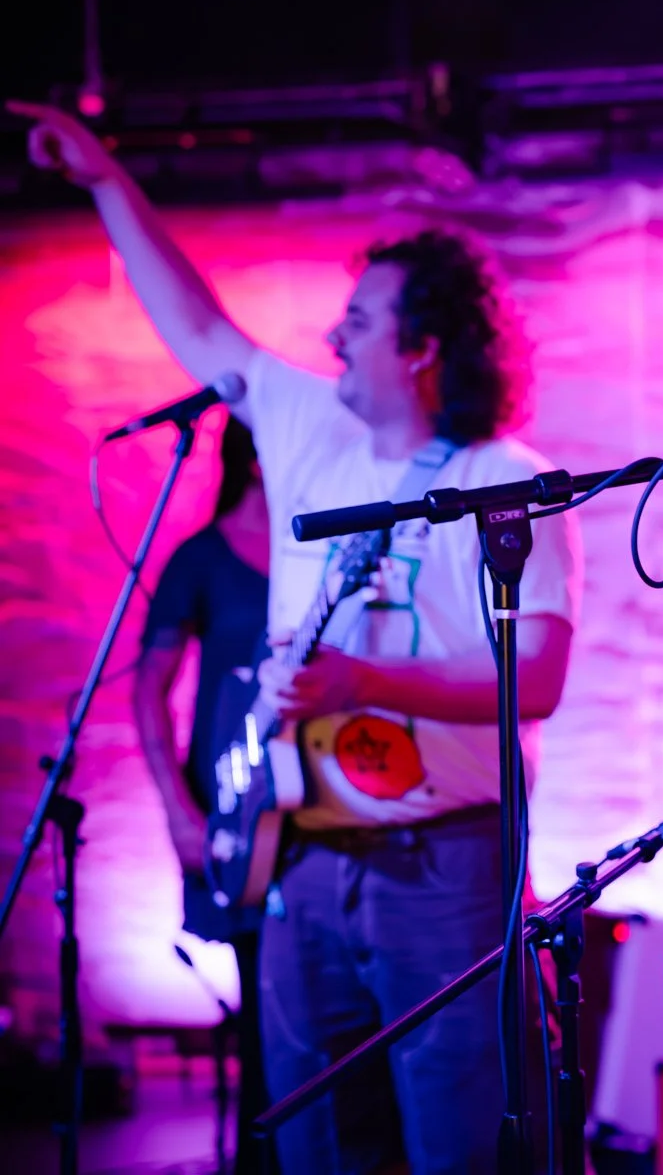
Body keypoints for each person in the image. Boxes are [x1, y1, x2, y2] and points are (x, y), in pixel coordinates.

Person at [13, 101, 583, 1175]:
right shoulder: (309, 430)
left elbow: (538, 679)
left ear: (421, 348)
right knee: (313, 1139)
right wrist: (102, 179)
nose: (333, 336)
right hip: (302, 851)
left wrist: (364, 678)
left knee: (455, 1137)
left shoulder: (509, 481)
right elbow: (196, 327)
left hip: (446, 860)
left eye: (360, 320)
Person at [133, 414, 274, 1175]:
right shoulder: (201, 559)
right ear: (257, 459)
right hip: (232, 808)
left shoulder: (318, 545)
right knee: (261, 1010)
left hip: (317, 802)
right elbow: (148, 688)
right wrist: (176, 811)